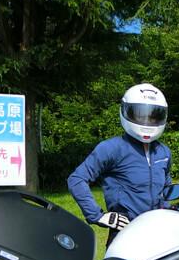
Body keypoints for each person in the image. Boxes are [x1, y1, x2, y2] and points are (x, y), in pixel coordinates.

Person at [67, 83, 172, 246]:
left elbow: (166, 184)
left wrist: (168, 207)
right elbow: (77, 179)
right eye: (140, 114)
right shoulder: (112, 148)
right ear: (126, 111)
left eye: (153, 116)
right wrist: (98, 215)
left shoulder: (163, 151)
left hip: (157, 230)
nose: (147, 121)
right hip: (125, 232)